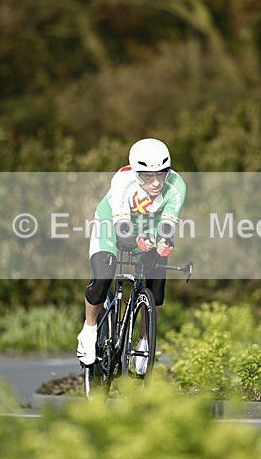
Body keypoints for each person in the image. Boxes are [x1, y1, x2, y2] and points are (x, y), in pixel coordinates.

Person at [76, 138, 186, 374]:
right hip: (113, 223)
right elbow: (122, 232)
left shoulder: (177, 186)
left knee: (157, 281)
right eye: (148, 176)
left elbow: (166, 228)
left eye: (162, 174)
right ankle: (89, 328)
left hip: (149, 226)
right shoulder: (123, 181)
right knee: (104, 274)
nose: (156, 182)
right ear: (136, 173)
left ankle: (145, 341)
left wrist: (164, 244)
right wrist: (138, 243)